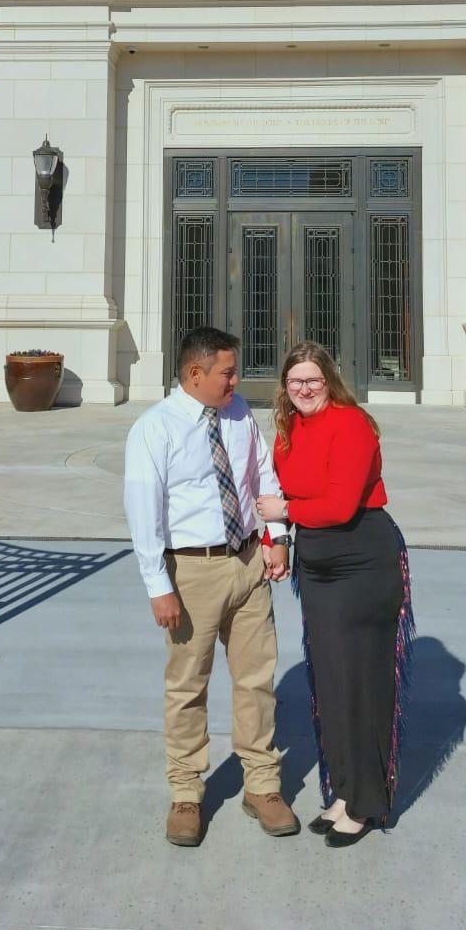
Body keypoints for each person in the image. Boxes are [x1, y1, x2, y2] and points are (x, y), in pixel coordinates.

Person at [123, 325, 299, 847]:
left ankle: (262, 786)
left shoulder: (241, 413)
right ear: (194, 373)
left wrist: (278, 537)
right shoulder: (155, 428)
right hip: (190, 573)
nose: (236, 380)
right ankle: (185, 793)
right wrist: (159, 585)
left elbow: (262, 478)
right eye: (227, 371)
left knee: (256, 680)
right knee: (187, 687)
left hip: (247, 563)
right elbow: (144, 511)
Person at [256, 342, 414, 847]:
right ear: (285, 385)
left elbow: (342, 505)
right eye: (295, 381)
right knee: (330, 684)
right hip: (318, 566)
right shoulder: (285, 431)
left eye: (313, 380)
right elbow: (276, 501)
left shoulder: (351, 424)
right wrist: (276, 538)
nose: (303, 389)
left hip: (362, 559)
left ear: (330, 380)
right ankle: (344, 792)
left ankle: (368, 803)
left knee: (362, 683)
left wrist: (284, 512)